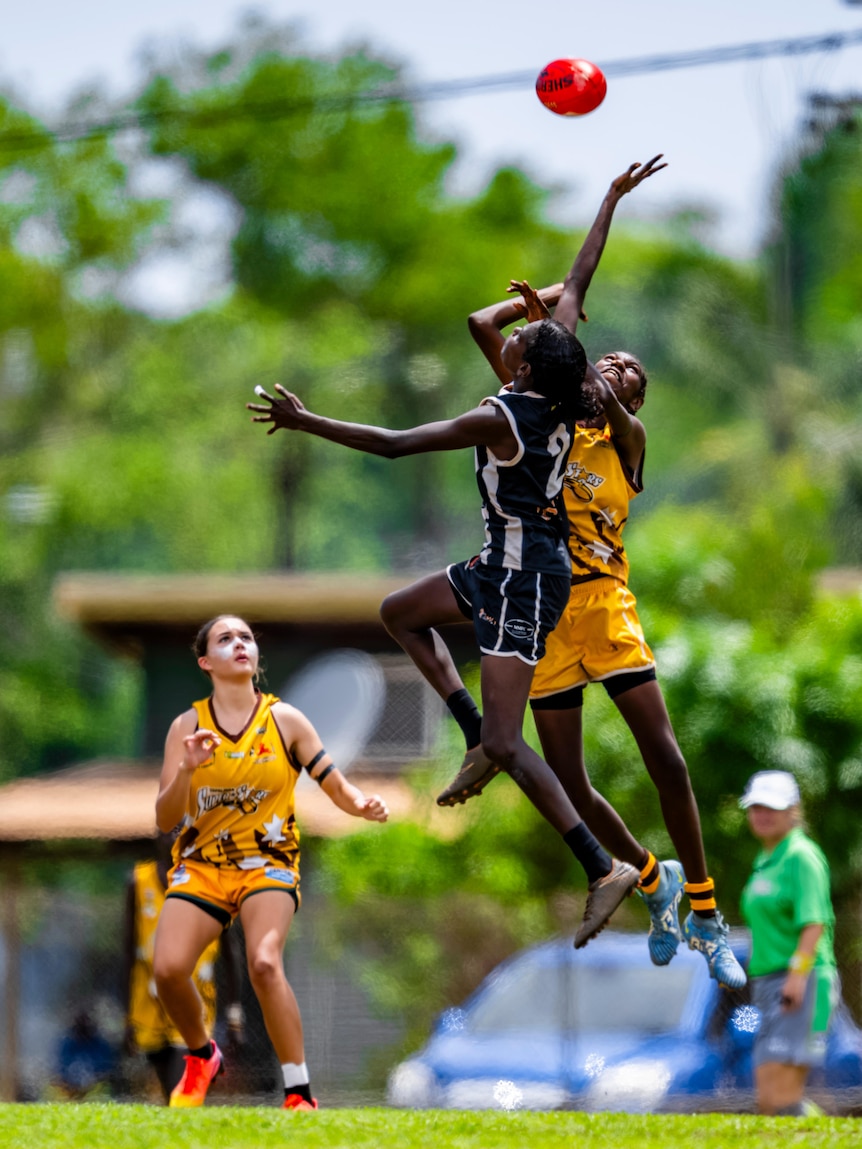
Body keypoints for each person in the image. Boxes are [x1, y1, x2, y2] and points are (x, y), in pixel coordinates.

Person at [435, 158, 746, 987]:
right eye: (606, 361)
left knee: (664, 757)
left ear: (635, 401)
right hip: (542, 608)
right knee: (566, 774)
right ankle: (652, 880)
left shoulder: (624, 442)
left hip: (605, 604)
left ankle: (710, 913)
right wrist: (606, 201)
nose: (615, 370)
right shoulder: (543, 410)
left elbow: (593, 377)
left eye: (630, 374)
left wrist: (585, 367)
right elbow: (560, 290)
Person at [249, 295, 642, 949]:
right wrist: (551, 294)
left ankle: (604, 867)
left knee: (512, 742)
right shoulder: (557, 404)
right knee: (400, 613)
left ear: (524, 365)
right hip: (504, 563)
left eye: (523, 337)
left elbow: (396, 445)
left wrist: (305, 420)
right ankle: (473, 735)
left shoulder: (506, 415)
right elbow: (502, 320)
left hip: (524, 579)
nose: (511, 337)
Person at [153, 614, 389, 1110]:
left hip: (267, 862)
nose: (239, 644)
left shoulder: (286, 721)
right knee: (169, 971)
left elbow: (336, 785)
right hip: (201, 866)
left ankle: (299, 1092)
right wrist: (186, 770)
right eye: (225, 639)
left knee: (264, 962)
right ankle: (202, 1056)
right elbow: (164, 816)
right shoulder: (186, 727)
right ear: (205, 662)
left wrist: (361, 804)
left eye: (246, 637)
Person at [739, 770, 837, 1116]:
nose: (762, 815)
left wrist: (797, 977)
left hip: (800, 982)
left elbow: (815, 922)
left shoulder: (801, 855)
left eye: (772, 808)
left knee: (781, 1097)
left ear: (793, 810)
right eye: (755, 808)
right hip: (768, 983)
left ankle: (828, 1136)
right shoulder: (764, 860)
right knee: (769, 1099)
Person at [122, 830, 244, 1103]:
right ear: (156, 835)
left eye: (180, 830)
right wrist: (127, 1016)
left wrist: (234, 1013)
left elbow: (230, 952)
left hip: (193, 996)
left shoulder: (210, 882)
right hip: (148, 1000)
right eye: (166, 831)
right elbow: (128, 952)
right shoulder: (138, 882)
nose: (172, 838)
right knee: (169, 1088)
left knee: (184, 1072)